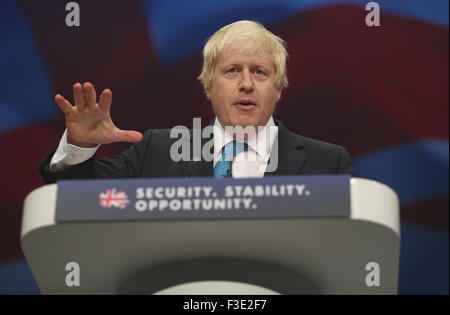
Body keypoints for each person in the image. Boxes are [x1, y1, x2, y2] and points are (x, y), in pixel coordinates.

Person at [39, 20, 354, 183]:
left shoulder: (328, 163)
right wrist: (79, 148)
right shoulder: (157, 151)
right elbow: (75, 197)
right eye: (232, 71)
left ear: (279, 88)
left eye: (259, 72)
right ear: (208, 86)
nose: (246, 84)